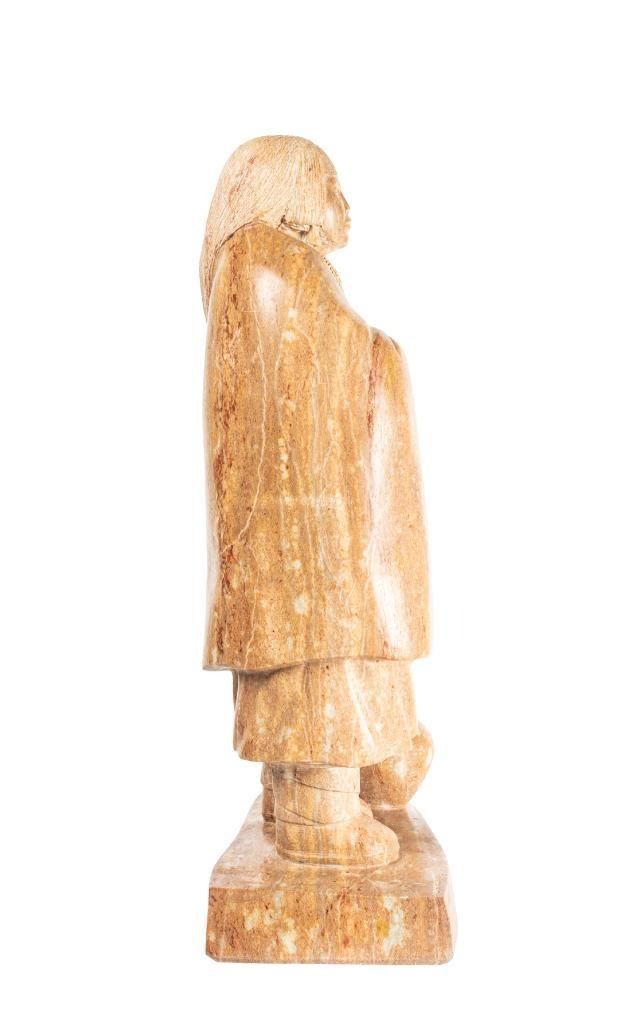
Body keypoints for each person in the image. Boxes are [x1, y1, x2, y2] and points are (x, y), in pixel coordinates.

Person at [201, 136, 432, 867]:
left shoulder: (265, 266)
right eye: (331, 187)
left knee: (330, 661)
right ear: (292, 197)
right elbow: (337, 354)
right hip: (310, 540)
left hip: (311, 537)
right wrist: (384, 355)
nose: (346, 205)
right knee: (322, 658)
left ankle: (317, 789)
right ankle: (317, 818)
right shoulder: (265, 262)